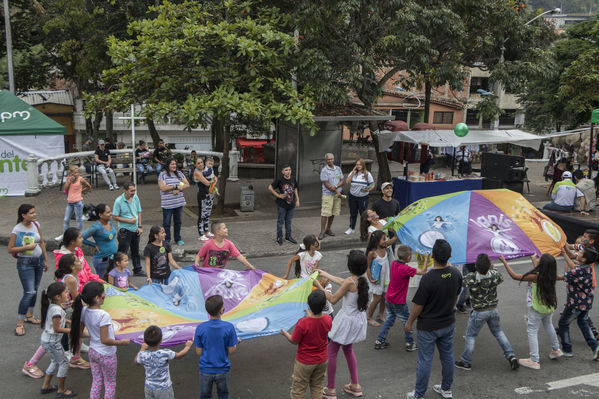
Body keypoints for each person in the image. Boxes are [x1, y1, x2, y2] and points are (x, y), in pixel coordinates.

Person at [405, 239, 462, 399]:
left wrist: (409, 322)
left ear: (433, 256)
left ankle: (419, 394)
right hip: (448, 322)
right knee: (447, 356)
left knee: (425, 361)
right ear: (449, 256)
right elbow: (456, 297)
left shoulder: (429, 278)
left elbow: (418, 305)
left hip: (428, 327)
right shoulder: (456, 274)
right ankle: (446, 388)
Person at [313, 250, 369, 399]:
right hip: (357, 319)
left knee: (331, 351)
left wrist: (319, 284)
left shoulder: (349, 282)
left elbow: (332, 299)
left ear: (350, 266)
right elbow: (342, 281)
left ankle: (330, 388)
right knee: (348, 349)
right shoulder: (362, 279)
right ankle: (355, 385)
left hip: (346, 320)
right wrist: (325, 274)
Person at [454, 254, 519, 371]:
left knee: (470, 335)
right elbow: (497, 273)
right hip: (493, 309)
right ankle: (511, 355)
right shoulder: (494, 274)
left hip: (479, 311)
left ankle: (466, 361)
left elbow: (460, 282)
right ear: (489, 265)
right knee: (499, 332)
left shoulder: (471, 277)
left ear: (475, 266)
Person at [501, 254, 562, 370]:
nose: (537, 260)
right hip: (549, 307)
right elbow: (541, 271)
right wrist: (534, 259)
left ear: (542, 265)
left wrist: (504, 262)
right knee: (549, 326)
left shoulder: (535, 277)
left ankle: (534, 360)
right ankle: (556, 349)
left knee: (532, 331)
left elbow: (514, 276)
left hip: (537, 309)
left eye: (539, 260)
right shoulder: (552, 275)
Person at [70, 282, 130, 399]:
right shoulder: (103, 315)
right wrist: (122, 342)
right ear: (97, 298)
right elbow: (105, 340)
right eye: (103, 294)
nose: (105, 296)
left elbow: (80, 333)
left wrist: (93, 335)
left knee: (96, 381)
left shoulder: (83, 310)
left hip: (93, 352)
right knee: (110, 383)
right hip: (106, 354)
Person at [281, 290, 332, 399]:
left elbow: (294, 340)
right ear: (325, 306)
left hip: (305, 362)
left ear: (308, 304)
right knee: (317, 387)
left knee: (298, 389)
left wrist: (285, 334)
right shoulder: (328, 319)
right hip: (322, 360)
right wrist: (310, 315)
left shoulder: (303, 323)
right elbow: (318, 323)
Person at [375, 245, 427, 351]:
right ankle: (410, 343)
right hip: (399, 302)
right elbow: (423, 272)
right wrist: (426, 258)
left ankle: (379, 340)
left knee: (389, 319)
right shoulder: (406, 269)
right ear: (408, 258)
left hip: (389, 299)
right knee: (407, 321)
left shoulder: (394, 263)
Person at [9, 204, 49, 337]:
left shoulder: (36, 224)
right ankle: (19, 324)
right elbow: (10, 249)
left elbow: (41, 242)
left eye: (34, 212)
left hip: (38, 261)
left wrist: (45, 259)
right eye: (31, 213)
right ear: (23, 215)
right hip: (25, 263)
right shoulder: (17, 229)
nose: (34, 215)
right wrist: (27, 247)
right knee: (29, 292)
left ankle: (29, 315)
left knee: (35, 289)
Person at [193, 294, 240, 399]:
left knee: (205, 396)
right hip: (222, 369)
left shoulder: (200, 328)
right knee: (223, 395)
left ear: (207, 311)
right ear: (221, 310)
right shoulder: (229, 327)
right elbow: (231, 351)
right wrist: (235, 343)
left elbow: (199, 352)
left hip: (205, 369)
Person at [558, 247, 599, 359]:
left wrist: (544, 275)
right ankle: (595, 347)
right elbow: (573, 266)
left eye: (581, 253)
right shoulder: (587, 268)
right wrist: (564, 254)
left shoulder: (579, 271)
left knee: (563, 323)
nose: (578, 253)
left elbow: (563, 277)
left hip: (575, 304)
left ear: (584, 259)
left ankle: (567, 350)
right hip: (586, 302)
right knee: (583, 322)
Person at [135, 325, 193, 399]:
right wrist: (187, 347)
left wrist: (142, 349)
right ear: (161, 340)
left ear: (144, 341)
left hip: (149, 387)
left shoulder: (143, 354)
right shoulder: (164, 353)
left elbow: (136, 361)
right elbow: (179, 355)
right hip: (164, 389)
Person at [39, 282, 75, 397]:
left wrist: (72, 323)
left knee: (55, 361)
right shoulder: (57, 310)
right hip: (52, 341)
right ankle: (61, 389)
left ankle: (46, 386)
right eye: (65, 292)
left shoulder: (55, 306)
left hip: (47, 340)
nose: (68, 293)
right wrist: (73, 331)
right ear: (57, 297)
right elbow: (57, 328)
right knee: (64, 363)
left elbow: (62, 320)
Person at [113, 183, 145, 276]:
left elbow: (139, 212)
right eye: (131, 191)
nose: (133, 192)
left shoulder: (135, 197)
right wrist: (128, 221)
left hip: (135, 229)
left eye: (134, 190)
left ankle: (137, 269)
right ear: (125, 190)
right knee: (122, 252)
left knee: (136, 251)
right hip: (125, 230)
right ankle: (118, 271)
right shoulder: (118, 201)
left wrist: (140, 226)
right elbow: (115, 216)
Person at [158, 158, 190, 245]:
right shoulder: (162, 174)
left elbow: (187, 184)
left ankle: (177, 238)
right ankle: (166, 240)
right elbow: (163, 188)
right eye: (172, 164)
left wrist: (179, 189)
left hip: (178, 202)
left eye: (175, 164)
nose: (174, 166)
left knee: (178, 222)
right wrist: (175, 186)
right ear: (168, 165)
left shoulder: (179, 173)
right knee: (166, 223)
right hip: (167, 204)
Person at [82, 203, 118, 279]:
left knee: (114, 281)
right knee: (104, 282)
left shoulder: (110, 222)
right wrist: (94, 245)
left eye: (110, 211)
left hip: (113, 257)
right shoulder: (95, 227)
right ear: (100, 215)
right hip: (102, 260)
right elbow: (81, 238)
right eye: (108, 212)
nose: (111, 214)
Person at [268, 163, 300, 245]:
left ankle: (288, 236)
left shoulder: (293, 179)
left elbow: (295, 188)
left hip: (291, 204)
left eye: (289, 170)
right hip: (282, 205)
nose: (288, 171)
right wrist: (278, 195)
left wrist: (297, 200)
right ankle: (279, 237)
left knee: (288, 221)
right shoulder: (280, 180)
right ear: (283, 172)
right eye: (286, 170)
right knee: (280, 221)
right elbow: (270, 187)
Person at [366, 230, 390, 327]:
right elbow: (367, 267)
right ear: (376, 240)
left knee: (384, 297)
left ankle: (380, 314)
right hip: (376, 279)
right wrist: (371, 279)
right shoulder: (372, 253)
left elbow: (394, 239)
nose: (385, 240)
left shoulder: (384, 247)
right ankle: (369, 317)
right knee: (377, 298)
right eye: (383, 239)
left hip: (385, 278)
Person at [345, 159, 374, 236]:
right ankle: (351, 228)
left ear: (363, 165)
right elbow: (347, 182)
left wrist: (367, 189)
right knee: (353, 213)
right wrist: (352, 173)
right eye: (357, 164)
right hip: (352, 197)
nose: (358, 166)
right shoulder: (353, 173)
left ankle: (365, 229)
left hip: (363, 197)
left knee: (363, 214)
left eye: (360, 165)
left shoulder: (367, 174)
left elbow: (372, 184)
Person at [319, 153, 344, 240]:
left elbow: (342, 180)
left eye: (331, 159)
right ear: (326, 161)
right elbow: (326, 184)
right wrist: (337, 191)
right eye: (328, 159)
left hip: (336, 195)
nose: (330, 160)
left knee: (333, 213)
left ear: (333, 159)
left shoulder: (338, 169)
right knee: (325, 213)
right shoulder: (324, 170)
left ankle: (328, 229)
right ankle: (322, 231)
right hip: (328, 195)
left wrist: (336, 187)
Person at [63, 164, 91, 232]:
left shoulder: (81, 179)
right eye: (75, 173)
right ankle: (65, 233)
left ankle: (79, 233)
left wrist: (81, 191)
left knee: (79, 219)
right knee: (66, 219)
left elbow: (88, 186)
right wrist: (69, 182)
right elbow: (65, 189)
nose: (76, 174)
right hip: (70, 202)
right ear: (71, 173)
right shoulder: (69, 179)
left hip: (78, 202)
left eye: (77, 172)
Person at [193, 157, 214, 242]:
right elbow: (207, 183)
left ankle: (206, 230)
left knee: (207, 214)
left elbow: (214, 178)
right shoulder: (197, 172)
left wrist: (213, 178)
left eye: (201, 162)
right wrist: (212, 179)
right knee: (202, 214)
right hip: (202, 195)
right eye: (198, 163)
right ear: (195, 165)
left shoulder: (205, 170)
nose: (201, 164)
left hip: (209, 194)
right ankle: (201, 234)